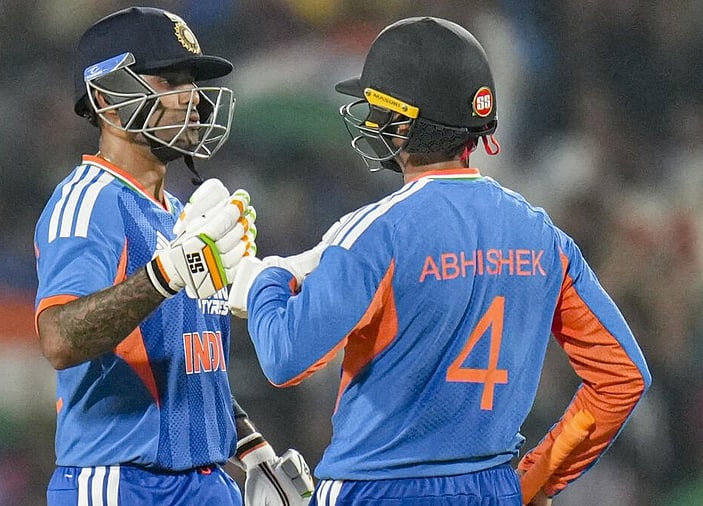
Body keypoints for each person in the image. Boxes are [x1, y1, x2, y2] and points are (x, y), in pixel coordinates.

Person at [228, 16, 651, 506]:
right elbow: (622, 378)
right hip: (492, 488)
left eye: (376, 109)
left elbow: (286, 358)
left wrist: (267, 280)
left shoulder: (375, 231)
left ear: (403, 122)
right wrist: (534, 480)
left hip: (377, 489)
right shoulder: (542, 234)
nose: (368, 120)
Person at [33, 7, 313, 505]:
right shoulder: (88, 201)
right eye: (169, 82)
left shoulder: (183, 216)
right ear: (107, 98)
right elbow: (59, 337)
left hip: (206, 481)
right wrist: (164, 274)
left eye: (192, 83)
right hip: (121, 482)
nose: (194, 101)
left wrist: (252, 451)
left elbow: (193, 362)